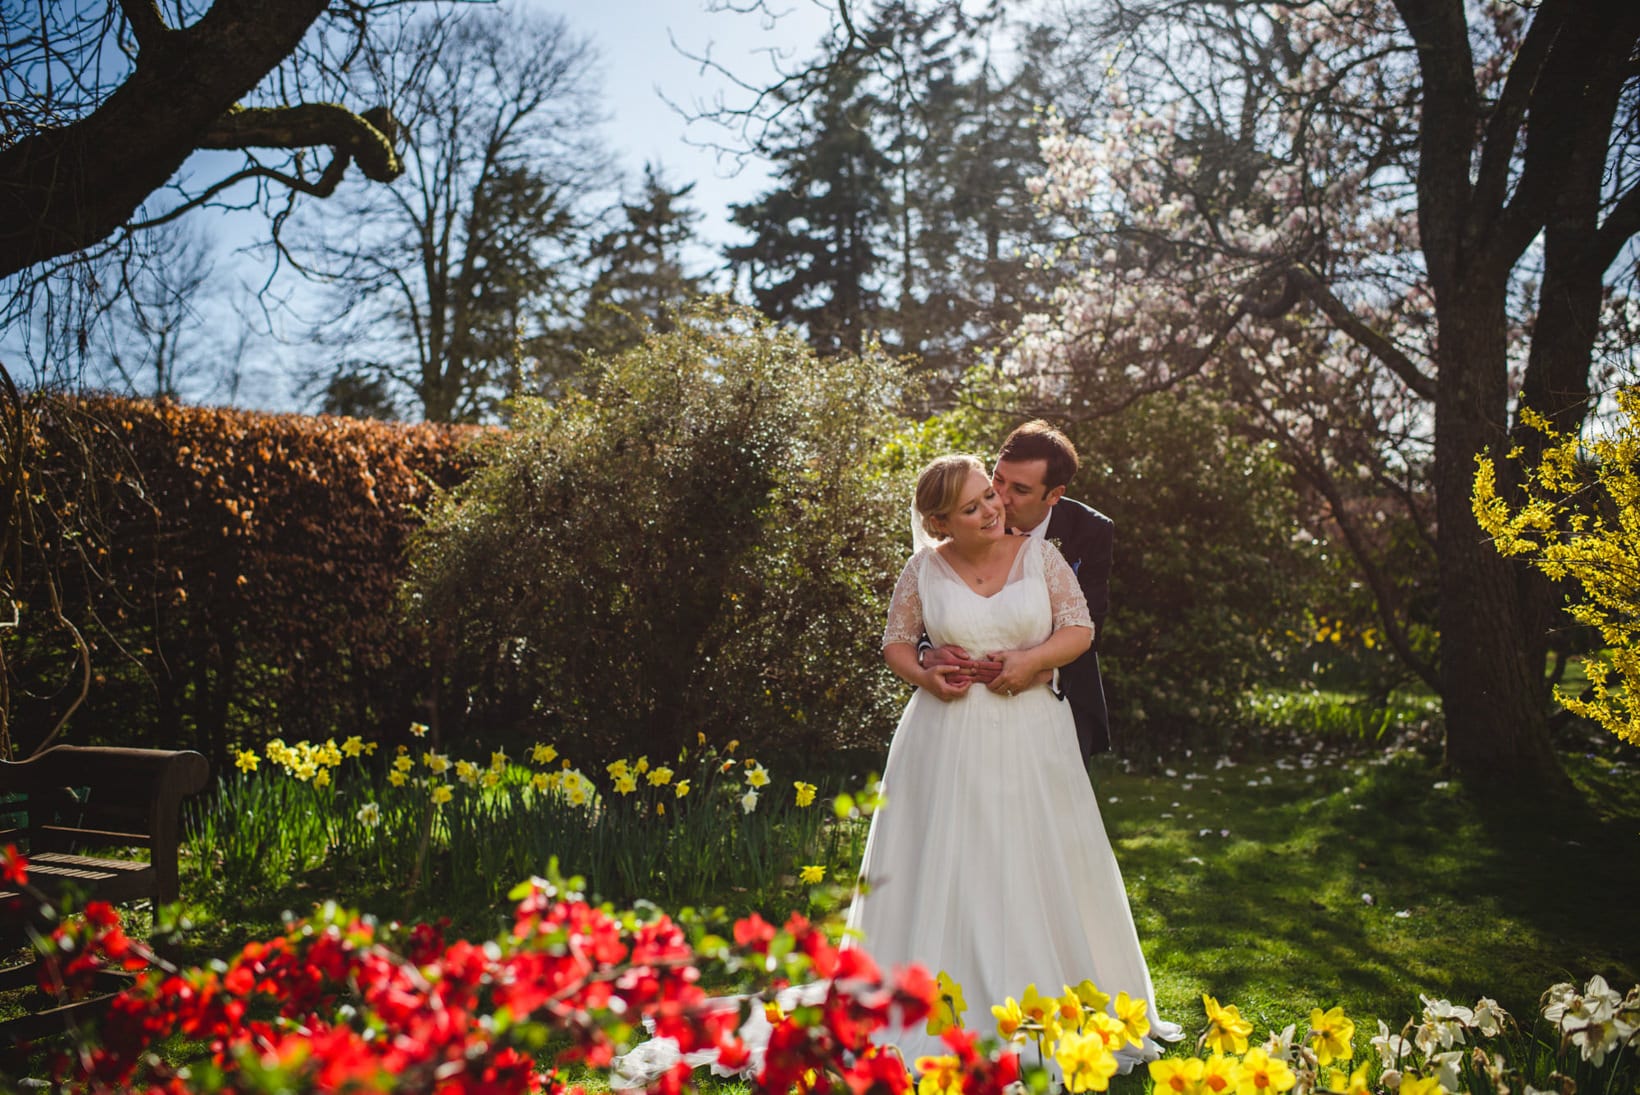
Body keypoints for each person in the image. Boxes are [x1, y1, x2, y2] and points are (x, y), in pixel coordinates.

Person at [850, 453, 1176, 1068]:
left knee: (1037, 852)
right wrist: (926, 673)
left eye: (991, 495)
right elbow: (895, 641)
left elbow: (1079, 629)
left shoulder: (1040, 556)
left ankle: (1052, 985)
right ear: (942, 522)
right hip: (945, 735)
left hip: (1032, 730)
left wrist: (1029, 663)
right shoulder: (923, 568)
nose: (992, 508)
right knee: (956, 853)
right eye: (973, 506)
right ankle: (947, 993)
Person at [923, 421, 1115, 757]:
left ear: (1054, 495)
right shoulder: (963, 512)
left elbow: (1090, 623)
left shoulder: (1090, 531)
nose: (1001, 498)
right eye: (998, 479)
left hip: (1059, 694)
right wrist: (926, 652)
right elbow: (925, 603)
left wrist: (1038, 666)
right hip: (962, 704)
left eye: (1021, 490)